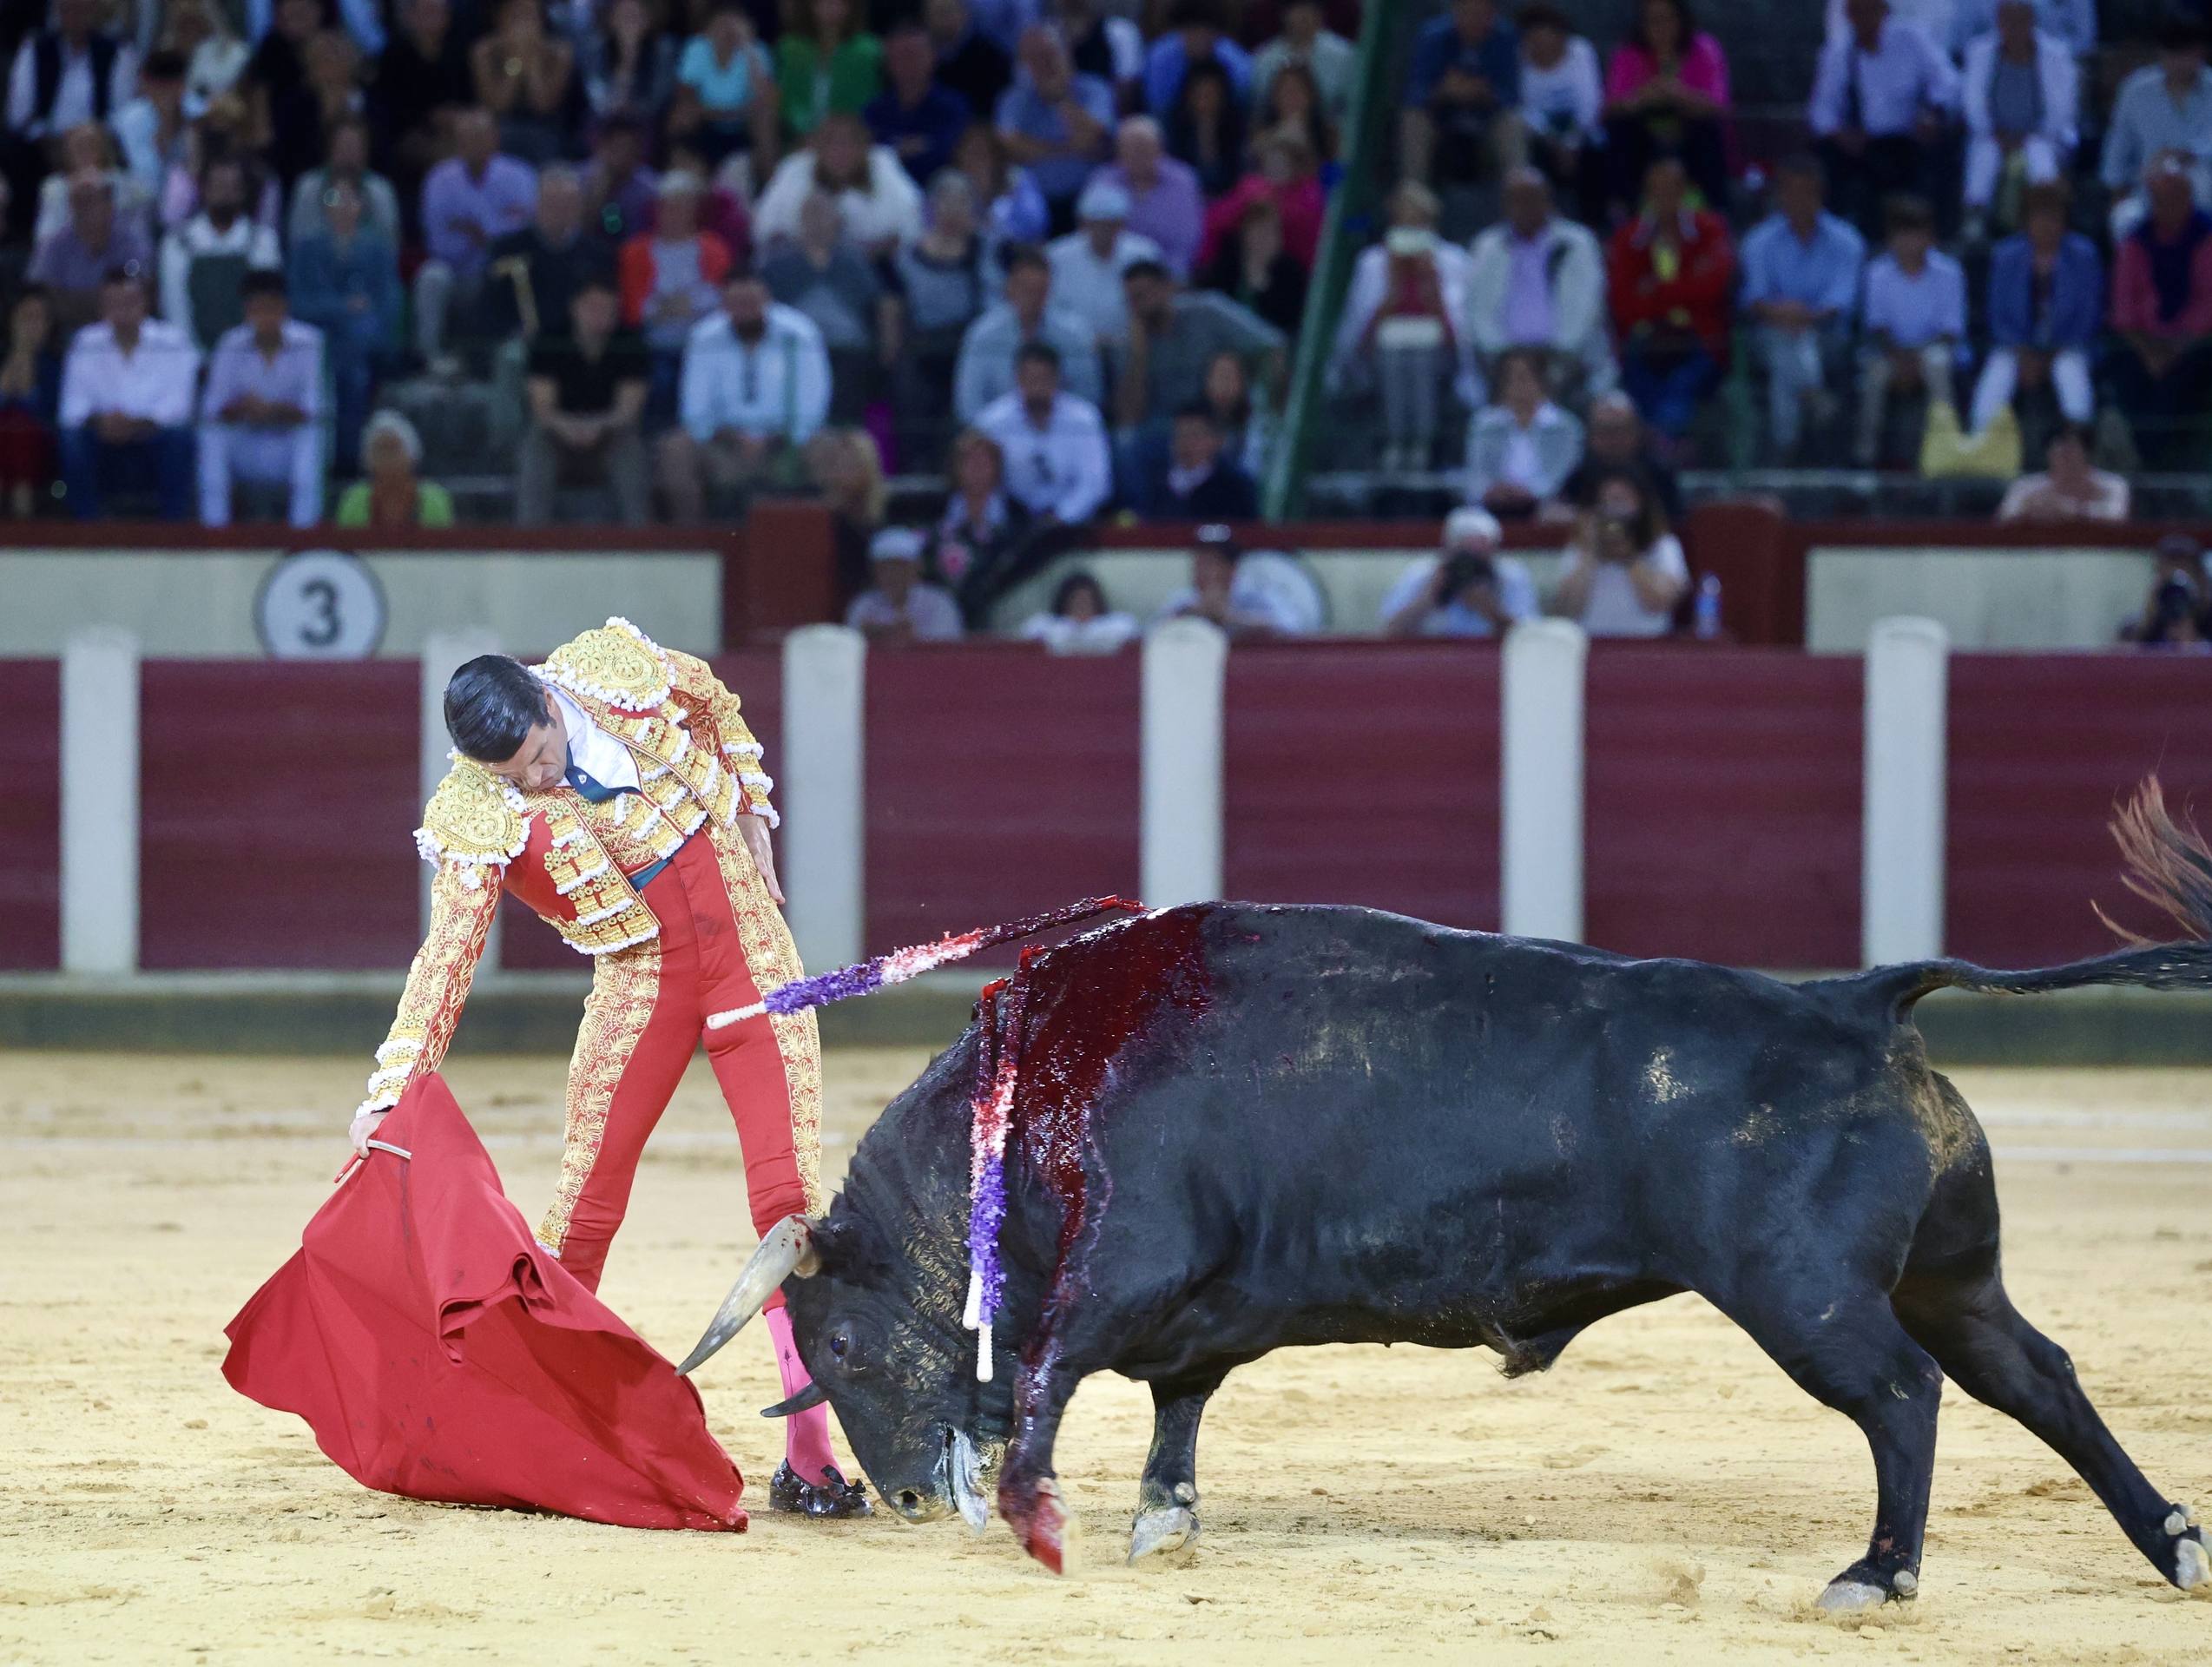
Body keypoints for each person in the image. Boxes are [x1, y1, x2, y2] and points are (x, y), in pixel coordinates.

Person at [352, 627, 868, 1519]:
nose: (535, 780)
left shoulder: (610, 671)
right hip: (641, 981)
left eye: (539, 757)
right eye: (514, 774)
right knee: (584, 1208)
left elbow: (713, 700)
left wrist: (751, 808)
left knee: (788, 1203)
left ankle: (810, 1455)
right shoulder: (474, 809)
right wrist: (392, 1087)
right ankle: (532, 1433)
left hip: (749, 952)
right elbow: (447, 957)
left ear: (548, 704)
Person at [656, 268, 831, 522]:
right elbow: (695, 410)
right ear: (724, 304)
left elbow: (813, 405)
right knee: (675, 449)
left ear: (767, 298)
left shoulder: (800, 334)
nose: (746, 311)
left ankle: (815, 539)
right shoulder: (705, 337)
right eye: (737, 304)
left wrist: (774, 439)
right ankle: (694, 541)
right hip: (724, 444)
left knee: (828, 448)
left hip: (785, 445)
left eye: (752, 303)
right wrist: (733, 437)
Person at [1739, 153, 1866, 462]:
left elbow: (1841, 302)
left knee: (1792, 346)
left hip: (1828, 336)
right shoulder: (1759, 241)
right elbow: (1754, 299)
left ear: (1820, 193)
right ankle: (1813, 396)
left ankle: (1785, 449)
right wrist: (1784, 315)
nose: (1798, 199)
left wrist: (1802, 316)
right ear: (1779, 194)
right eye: (1790, 191)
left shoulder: (1847, 241)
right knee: (1786, 342)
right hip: (1770, 333)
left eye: (1806, 191)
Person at [1607, 155, 1734, 442]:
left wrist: (1654, 289)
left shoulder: (1710, 230)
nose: (1665, 197)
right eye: (1657, 190)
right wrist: (1687, 287)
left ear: (1685, 191)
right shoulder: (1628, 238)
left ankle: (1658, 445)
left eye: (1672, 189)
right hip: (1644, 341)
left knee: (1680, 386)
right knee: (1641, 381)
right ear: (1647, 194)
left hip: (1701, 341)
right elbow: (1624, 304)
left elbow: (1713, 288)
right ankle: (1665, 447)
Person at [57, 267, 198, 520]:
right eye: (114, 303)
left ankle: (173, 529)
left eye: (129, 302)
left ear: (146, 303)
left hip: (153, 436)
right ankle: (87, 527)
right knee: (72, 440)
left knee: (180, 438)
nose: (122, 311)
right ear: (102, 307)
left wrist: (135, 424)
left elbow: (179, 406)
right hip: (102, 437)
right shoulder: (85, 342)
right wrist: (103, 422)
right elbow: (72, 407)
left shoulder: (174, 342)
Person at [1465, 166, 1615, 403]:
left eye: (1532, 198)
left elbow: (1585, 308)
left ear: (1547, 201)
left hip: (1566, 359)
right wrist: (1505, 357)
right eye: (1516, 200)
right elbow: (1478, 310)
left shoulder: (1577, 243)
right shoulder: (1487, 246)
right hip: (1503, 360)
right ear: (1505, 204)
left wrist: (1554, 357)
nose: (1524, 207)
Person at [1809, 0, 1959, 236]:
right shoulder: (1839, 53)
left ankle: (1938, 231)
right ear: (1849, 15)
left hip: (1911, 140)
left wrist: (1932, 113)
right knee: (1827, 157)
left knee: (1943, 150)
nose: (1865, 18)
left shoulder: (1912, 40)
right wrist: (1842, 135)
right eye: (1857, 11)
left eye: (1870, 10)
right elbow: (1821, 110)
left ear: (1884, 11)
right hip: (1864, 145)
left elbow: (1948, 83)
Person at [882, 172, 995, 465]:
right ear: (932, 207)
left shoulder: (988, 252)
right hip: (923, 348)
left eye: (961, 203)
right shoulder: (907, 257)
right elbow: (893, 306)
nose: (952, 212)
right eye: (946, 202)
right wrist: (891, 345)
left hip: (971, 348)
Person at [518, 274, 649, 526]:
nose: (599, 315)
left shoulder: (631, 344)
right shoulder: (549, 342)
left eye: (607, 308)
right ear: (574, 307)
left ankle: (639, 533)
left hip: (610, 434)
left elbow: (628, 410)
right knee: (537, 443)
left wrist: (597, 427)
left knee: (629, 446)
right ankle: (530, 534)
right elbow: (542, 408)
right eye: (592, 307)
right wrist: (569, 428)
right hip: (559, 435)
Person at [287, 176, 399, 471]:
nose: (343, 207)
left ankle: (348, 458)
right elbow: (299, 304)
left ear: (362, 206)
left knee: (354, 361)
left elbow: (387, 304)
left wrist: (360, 323)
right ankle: (329, 457)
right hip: (318, 338)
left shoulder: (378, 249)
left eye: (350, 199)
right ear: (325, 207)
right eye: (335, 199)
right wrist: (342, 308)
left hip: (363, 344)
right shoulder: (306, 250)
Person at [2110, 153, 2212, 471]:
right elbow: (2124, 309)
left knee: (2178, 385)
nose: (2166, 203)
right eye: (2159, 197)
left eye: (2174, 195)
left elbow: (2207, 305)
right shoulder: (2135, 242)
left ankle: (2169, 470)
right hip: (2144, 347)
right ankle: (2147, 467)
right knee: (2128, 378)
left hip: (2193, 346)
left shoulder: (2206, 237)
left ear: (2188, 196)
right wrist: (2149, 351)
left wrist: (2175, 349)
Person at [1972, 181, 2099, 435]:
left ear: (2064, 220)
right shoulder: (2006, 256)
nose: (2046, 225)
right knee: (1997, 375)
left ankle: (2078, 442)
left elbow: (2088, 315)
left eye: (2053, 217)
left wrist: (2051, 355)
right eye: (2039, 217)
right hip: (2015, 347)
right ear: (2026, 220)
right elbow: (1998, 316)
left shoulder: (2084, 255)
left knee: (2070, 374)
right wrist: (2024, 355)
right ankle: (1980, 442)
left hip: (2068, 346)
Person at [196, 269, 322, 528]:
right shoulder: (230, 344)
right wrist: (243, 407)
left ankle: (304, 531)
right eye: (258, 309)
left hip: (287, 446)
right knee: (211, 436)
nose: (265, 317)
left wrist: (272, 409)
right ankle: (215, 529)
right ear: (247, 311)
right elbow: (212, 409)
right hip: (245, 443)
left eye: (271, 309)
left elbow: (314, 408)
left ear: (284, 308)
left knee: (312, 437)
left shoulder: (310, 342)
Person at [414, 107, 538, 365]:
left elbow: (525, 236)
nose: (473, 143)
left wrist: (476, 231)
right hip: (457, 272)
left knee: (522, 272)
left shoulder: (520, 176)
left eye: (480, 135)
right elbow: (439, 244)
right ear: (457, 142)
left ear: (495, 138)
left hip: (505, 270)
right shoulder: (439, 180)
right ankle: (430, 358)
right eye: (466, 137)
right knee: (431, 276)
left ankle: (521, 357)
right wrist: (498, 227)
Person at [1115, 258, 1286, 438]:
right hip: (1166, 428)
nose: (1140, 304)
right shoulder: (1129, 342)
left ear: (1167, 287)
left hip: (1219, 420)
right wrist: (1139, 356)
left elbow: (1271, 346)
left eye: (1145, 294)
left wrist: (1268, 406)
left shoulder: (1207, 311)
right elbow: (1128, 419)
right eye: (1133, 299)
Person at [1855, 194, 1965, 467]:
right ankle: (1865, 457)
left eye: (1916, 234)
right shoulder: (1877, 273)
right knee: (1874, 373)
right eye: (1903, 235)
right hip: (1889, 352)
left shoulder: (1949, 272)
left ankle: (1947, 451)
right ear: (1891, 238)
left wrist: (1916, 358)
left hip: (1934, 350)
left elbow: (1951, 330)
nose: (1910, 243)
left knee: (1937, 363)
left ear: (1930, 237)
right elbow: (1877, 327)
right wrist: (1900, 358)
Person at [761, 188, 886, 423]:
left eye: (823, 214)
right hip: (797, 351)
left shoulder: (854, 261)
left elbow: (877, 304)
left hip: (847, 350)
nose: (817, 221)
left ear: (836, 220)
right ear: (800, 221)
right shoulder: (779, 265)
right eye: (810, 214)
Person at [1601, 0, 1732, 215]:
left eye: (1667, 19)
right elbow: (1611, 107)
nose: (1661, 28)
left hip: (1689, 132)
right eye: (1653, 21)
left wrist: (1679, 94)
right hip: (1644, 135)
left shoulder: (1704, 48)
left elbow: (1719, 105)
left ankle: (1714, 212)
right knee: (1620, 130)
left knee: (1708, 130)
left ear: (1682, 20)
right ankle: (1626, 211)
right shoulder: (1627, 52)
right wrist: (1642, 97)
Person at [1959, 0, 2076, 233]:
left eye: (2020, 21)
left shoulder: (2056, 54)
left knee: (2041, 161)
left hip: (2041, 136)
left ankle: (2045, 221)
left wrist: (2031, 135)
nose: (2014, 28)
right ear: (1998, 22)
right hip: (1993, 136)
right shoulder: (1979, 52)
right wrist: (1994, 133)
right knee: (1984, 157)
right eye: (2008, 21)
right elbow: (1972, 103)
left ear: (2032, 21)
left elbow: (2063, 107)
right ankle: (1975, 221)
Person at [952, 242, 1103, 423]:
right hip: (996, 432)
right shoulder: (982, 335)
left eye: (1039, 291)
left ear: (1049, 290)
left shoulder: (1076, 335)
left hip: (1062, 429)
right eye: (1025, 289)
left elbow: (1089, 397)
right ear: (1009, 288)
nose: (1032, 298)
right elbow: (969, 403)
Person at [973, 339, 1112, 526]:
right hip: (1011, 523)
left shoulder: (1084, 419)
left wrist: (1062, 517)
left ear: (1058, 379)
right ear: (1017, 378)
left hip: (1073, 523)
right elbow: (981, 481)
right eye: (1030, 379)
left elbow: (1095, 483)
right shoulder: (992, 422)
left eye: (1044, 379)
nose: (1037, 388)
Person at [480, 165, 617, 346]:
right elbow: (489, 306)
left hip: (577, 348)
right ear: (536, 205)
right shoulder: (506, 250)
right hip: (517, 344)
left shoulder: (598, 255)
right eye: (552, 203)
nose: (559, 212)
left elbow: (606, 310)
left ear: (580, 207)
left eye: (567, 204)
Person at [995, 24, 1113, 233]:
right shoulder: (1013, 100)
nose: (1044, 64)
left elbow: (1091, 139)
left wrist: (1062, 97)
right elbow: (1011, 148)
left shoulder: (1095, 89)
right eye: (1034, 58)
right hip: (1035, 204)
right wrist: (1068, 149)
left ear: (1066, 53)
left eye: (1049, 54)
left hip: (1087, 201)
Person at [752, 112, 923, 254]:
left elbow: (912, 228)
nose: (840, 151)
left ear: (865, 146)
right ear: (817, 147)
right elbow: (764, 230)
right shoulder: (796, 168)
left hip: (875, 270)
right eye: (831, 143)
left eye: (850, 143)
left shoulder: (883, 164)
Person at [1401, 0, 1524, 197]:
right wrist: (1444, 90)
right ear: (1455, 12)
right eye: (1468, 13)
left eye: (1481, 14)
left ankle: (1519, 194)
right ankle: (1413, 197)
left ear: (1492, 15)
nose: (1474, 20)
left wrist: (1483, 92)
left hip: (1486, 117)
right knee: (1413, 118)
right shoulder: (1432, 36)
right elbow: (1416, 93)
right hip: (1442, 116)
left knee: (1513, 122)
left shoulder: (1506, 37)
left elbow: (1511, 95)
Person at [158, 153, 280, 350]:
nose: (225, 194)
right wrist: (193, 357)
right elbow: (175, 308)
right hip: (193, 354)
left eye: (233, 187)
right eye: (219, 186)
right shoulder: (177, 243)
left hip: (249, 353)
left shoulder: (263, 240)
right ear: (204, 189)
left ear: (243, 192)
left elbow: (264, 306)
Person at [2101, 19, 2212, 234]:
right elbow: (2117, 153)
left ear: (2200, 52)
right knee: (2124, 219)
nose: (2180, 63)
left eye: (2186, 54)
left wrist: (2188, 154)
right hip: (2149, 193)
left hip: (2205, 195)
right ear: (2161, 53)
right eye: (2173, 54)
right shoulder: (2135, 90)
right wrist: (2117, 193)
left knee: (2198, 181)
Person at [1550, 469, 1688, 637]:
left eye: (1620, 500)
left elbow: (1659, 603)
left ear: (1641, 503)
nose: (1614, 511)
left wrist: (1630, 558)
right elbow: (1565, 610)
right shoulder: (1580, 548)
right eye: (1606, 502)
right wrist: (1589, 554)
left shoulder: (1663, 545)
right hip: (1592, 641)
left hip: (1648, 642)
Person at [1379, 506, 1538, 639]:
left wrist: (1491, 610)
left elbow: (1530, 638)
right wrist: (1429, 598)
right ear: (1449, 549)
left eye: (1480, 552)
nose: (1470, 565)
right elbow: (1388, 633)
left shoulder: (1510, 576)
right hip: (1431, 659)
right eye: (1466, 552)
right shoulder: (1423, 573)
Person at [29, 170, 154, 334]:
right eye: (79, 202)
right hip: (69, 330)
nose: (85, 209)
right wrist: (105, 299)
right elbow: (45, 296)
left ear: (109, 205)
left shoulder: (130, 242)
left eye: (92, 200)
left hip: (124, 325)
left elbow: (140, 287)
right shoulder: (54, 246)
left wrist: (80, 299)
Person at [1465, 347, 1583, 521]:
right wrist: (1493, 491)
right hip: (1494, 503)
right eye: (1509, 378)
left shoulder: (1564, 426)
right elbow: (1477, 472)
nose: (1517, 386)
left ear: (1541, 381)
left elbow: (1562, 474)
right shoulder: (1485, 424)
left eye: (1523, 377)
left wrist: (1528, 492)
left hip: (1547, 503)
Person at [4, 0, 138, 148]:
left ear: (95, 9)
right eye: (69, 7)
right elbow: (18, 113)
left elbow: (121, 114)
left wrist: (88, 140)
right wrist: (46, 139)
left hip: (95, 147)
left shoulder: (117, 52)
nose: (75, 14)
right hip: (41, 146)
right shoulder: (36, 48)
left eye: (82, 8)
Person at [1048, 178, 1161, 352]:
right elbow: (1051, 308)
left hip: (1132, 346)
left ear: (1122, 224)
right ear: (1083, 223)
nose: (1103, 231)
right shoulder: (1057, 256)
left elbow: (1155, 305)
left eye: (1110, 225)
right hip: (1073, 348)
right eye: (1096, 224)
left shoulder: (1145, 253)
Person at [1516, 3, 1603, 214]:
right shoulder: (1518, 58)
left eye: (1549, 36)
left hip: (1581, 131)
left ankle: (1594, 217)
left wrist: (1571, 141)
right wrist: (1553, 140)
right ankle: (1545, 213)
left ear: (1562, 36)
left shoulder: (1580, 51)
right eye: (1535, 38)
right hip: (1542, 135)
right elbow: (1524, 110)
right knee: (1536, 157)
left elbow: (1590, 103)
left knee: (1596, 152)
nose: (1543, 44)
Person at [670, 2, 776, 173]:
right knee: (682, 116)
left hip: (744, 124)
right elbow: (686, 97)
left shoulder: (757, 51)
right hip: (707, 120)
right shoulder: (697, 48)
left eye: (733, 24)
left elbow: (765, 98)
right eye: (721, 24)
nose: (727, 31)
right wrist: (727, 113)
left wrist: (747, 48)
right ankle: (683, 170)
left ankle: (768, 179)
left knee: (764, 118)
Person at [1093, 115, 1204, 277]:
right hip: (1112, 273)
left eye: (1143, 148)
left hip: (1167, 276)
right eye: (1130, 148)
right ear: (1119, 152)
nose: (1137, 155)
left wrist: (1168, 278)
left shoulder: (1182, 180)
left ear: (1160, 149)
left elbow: (1186, 243)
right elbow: (1093, 235)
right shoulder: (1103, 181)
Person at [866, 19, 970, 188]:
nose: (907, 64)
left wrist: (895, 150)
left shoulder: (953, 108)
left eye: (914, 55)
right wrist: (918, 146)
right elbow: (870, 157)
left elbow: (950, 153)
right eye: (899, 57)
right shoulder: (874, 112)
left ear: (933, 57)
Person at [1156, 524, 1306, 639]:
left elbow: (1294, 627)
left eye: (1213, 563)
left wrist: (1233, 618)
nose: (1204, 571)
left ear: (1232, 569)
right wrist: (1191, 615)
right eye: (1200, 562)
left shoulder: (1255, 595)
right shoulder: (1184, 600)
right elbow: (1152, 633)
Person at [1557, 390, 1682, 524]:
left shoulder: (1660, 476)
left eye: (1620, 430)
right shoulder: (1578, 478)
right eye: (1604, 430)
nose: (1613, 439)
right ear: (1590, 435)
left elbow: (1674, 521)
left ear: (1637, 431)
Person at [286, 115, 399, 249]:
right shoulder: (307, 186)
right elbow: (296, 239)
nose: (348, 154)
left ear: (366, 151)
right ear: (330, 148)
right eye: (343, 146)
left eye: (355, 147)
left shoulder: (381, 190)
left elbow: (390, 244)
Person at [775, 0, 882, 141]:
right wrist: (803, 134)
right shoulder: (790, 48)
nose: (831, 8)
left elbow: (868, 103)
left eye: (839, 2)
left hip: (850, 140)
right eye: (823, 2)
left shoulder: (867, 51)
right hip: (798, 138)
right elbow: (787, 101)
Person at [0, 287, 63, 515]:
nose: (30, 326)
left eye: (37, 318)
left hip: (41, 442)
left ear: (48, 325)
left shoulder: (56, 365)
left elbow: (41, 410)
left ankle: (23, 521)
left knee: (21, 436)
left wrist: (26, 355)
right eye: (25, 317)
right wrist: (17, 353)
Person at [334, 409, 455, 526]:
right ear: (367, 459)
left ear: (412, 455)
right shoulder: (354, 499)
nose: (386, 457)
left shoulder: (434, 499)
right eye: (379, 450)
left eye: (393, 449)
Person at [846, 525, 964, 642]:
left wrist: (908, 637)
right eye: (886, 568)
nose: (893, 574)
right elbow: (852, 646)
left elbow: (946, 647)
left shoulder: (940, 603)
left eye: (901, 567)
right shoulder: (862, 606)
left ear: (918, 567)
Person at [1995, 422, 2128, 523]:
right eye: (2058, 451)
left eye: (2070, 451)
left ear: (2087, 453)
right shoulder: (2025, 486)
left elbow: (2116, 516)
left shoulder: (2113, 485)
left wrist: (2069, 509)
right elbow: (2004, 518)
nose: (2064, 458)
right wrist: (2030, 507)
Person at [1252, 0, 1356, 127]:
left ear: (1319, 14)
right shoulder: (1265, 59)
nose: (1303, 16)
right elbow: (1259, 111)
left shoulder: (1343, 55)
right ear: (1284, 15)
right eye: (1297, 10)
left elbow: (1351, 107)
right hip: (1278, 132)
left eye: (1309, 9)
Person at [1146, 399, 1256, 519]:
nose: (1186, 443)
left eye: (1194, 435)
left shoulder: (1234, 488)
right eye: (1180, 435)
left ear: (1216, 440)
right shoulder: (1155, 483)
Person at [585, 0, 679, 131]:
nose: (630, 23)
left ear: (648, 20)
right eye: (625, 16)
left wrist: (632, 51)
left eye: (636, 16)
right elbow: (599, 102)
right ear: (611, 19)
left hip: (647, 125)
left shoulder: (664, 51)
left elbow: (655, 102)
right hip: (604, 125)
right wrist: (626, 57)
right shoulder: (596, 49)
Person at [1164, 57, 1245, 200]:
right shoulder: (1174, 127)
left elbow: (1235, 176)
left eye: (1210, 94)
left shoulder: (1237, 127)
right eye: (1199, 94)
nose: (1204, 101)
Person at [928, 0, 1013, 120]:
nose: (941, 20)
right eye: (934, 14)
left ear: (964, 14)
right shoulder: (924, 58)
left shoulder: (990, 56)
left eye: (946, 12)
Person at [1021, 569, 1140, 654]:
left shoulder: (1118, 626)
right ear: (1065, 603)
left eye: (1086, 601)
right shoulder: (1045, 627)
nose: (1082, 606)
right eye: (1076, 601)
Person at [2123, 533, 2209, 644]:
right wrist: (2147, 622)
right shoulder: (2135, 627)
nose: (2177, 590)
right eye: (2169, 577)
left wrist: (2195, 642)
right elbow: (2125, 650)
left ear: (2201, 579)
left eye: (2185, 577)